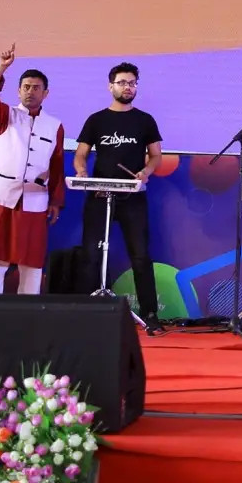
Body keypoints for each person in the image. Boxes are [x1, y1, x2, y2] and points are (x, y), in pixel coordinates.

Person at [75, 62, 164, 333]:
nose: (128, 87)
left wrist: (145, 172)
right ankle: (87, 312)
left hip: (132, 196)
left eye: (132, 83)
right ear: (110, 86)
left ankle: (150, 314)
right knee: (91, 253)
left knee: (140, 256)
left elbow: (156, 156)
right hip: (100, 194)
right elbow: (81, 154)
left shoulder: (145, 120)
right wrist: (81, 171)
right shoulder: (96, 120)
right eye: (122, 82)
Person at [0, 44, 65, 295]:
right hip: (2, 197)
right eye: (26, 87)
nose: (30, 92)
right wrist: (1, 67)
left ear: (46, 93)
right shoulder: (5, 115)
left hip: (36, 202)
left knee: (32, 263)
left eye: (36, 88)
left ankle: (29, 311)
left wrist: (55, 201)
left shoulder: (55, 126)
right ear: (18, 90)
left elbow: (56, 165)